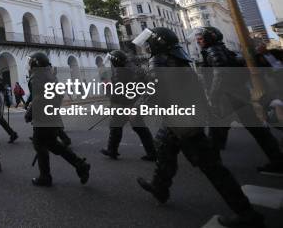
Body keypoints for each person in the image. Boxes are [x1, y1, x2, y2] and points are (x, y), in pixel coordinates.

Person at [135, 27, 264, 228]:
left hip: (182, 121)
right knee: (163, 147)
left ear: (159, 42)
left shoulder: (159, 61)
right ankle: (160, 187)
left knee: (211, 167)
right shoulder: (179, 58)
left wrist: (141, 103)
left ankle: (246, 213)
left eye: (150, 42)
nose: (148, 45)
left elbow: (156, 91)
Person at [195, 26, 283, 175]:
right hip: (237, 95)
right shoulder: (222, 49)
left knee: (216, 131)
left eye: (201, 38)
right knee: (257, 130)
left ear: (210, 38)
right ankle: (278, 161)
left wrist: (213, 96)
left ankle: (213, 166)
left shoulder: (213, 50)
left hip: (228, 98)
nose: (198, 41)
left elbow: (220, 74)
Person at [26, 52, 89, 186]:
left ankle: (45, 177)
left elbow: (37, 99)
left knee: (40, 144)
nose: (29, 64)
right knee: (53, 144)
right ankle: (80, 164)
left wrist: (30, 113)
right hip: (52, 116)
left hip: (43, 118)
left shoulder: (37, 77)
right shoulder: (51, 76)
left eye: (30, 62)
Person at [100, 50, 156, 161]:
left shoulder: (119, 72)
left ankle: (112, 150)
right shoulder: (132, 68)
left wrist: (109, 91)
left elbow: (117, 92)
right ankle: (152, 152)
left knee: (116, 126)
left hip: (124, 104)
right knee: (140, 128)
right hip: (134, 102)